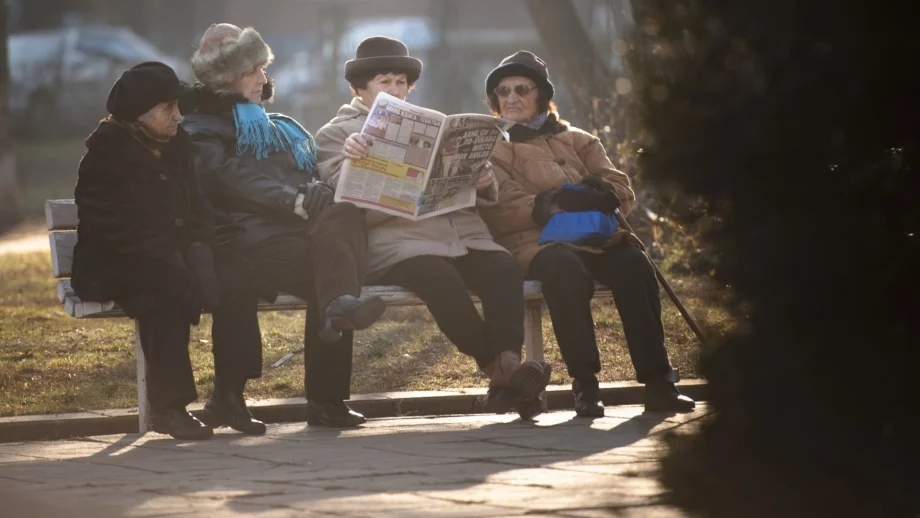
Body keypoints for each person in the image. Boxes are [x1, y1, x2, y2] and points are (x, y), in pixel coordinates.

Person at [315, 37, 551, 419]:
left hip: (460, 231)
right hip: (400, 242)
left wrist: (482, 177)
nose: (395, 90)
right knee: (440, 279)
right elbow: (337, 197)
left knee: (503, 269)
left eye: (400, 82)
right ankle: (501, 372)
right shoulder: (337, 134)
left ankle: (507, 368)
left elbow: (480, 186)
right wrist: (352, 160)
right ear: (360, 89)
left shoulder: (429, 124)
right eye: (383, 82)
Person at [182, 24, 385, 427]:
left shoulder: (273, 123)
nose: (263, 78)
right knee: (330, 280)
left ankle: (329, 384)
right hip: (247, 239)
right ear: (224, 76)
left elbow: (299, 172)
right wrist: (290, 199)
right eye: (252, 70)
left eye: (263, 68)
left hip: (293, 232)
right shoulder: (202, 127)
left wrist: (315, 191)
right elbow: (225, 177)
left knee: (343, 221)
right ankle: (325, 400)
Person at [479, 51, 696, 416]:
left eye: (522, 89)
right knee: (566, 272)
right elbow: (501, 206)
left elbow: (619, 186)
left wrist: (602, 192)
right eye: (503, 91)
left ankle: (659, 383)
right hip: (537, 241)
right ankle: (586, 385)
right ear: (495, 100)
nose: (511, 98)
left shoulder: (578, 138)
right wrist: (555, 202)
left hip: (596, 237)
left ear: (542, 95)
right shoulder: (492, 146)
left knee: (634, 264)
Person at [72, 62, 265, 440]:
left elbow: (199, 209)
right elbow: (113, 227)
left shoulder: (178, 146)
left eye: (178, 106)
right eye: (168, 109)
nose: (179, 116)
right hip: (120, 261)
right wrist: (177, 260)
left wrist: (200, 250)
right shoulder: (106, 154)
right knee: (164, 286)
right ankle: (168, 407)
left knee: (239, 277)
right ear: (138, 115)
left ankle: (228, 395)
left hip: (177, 253)